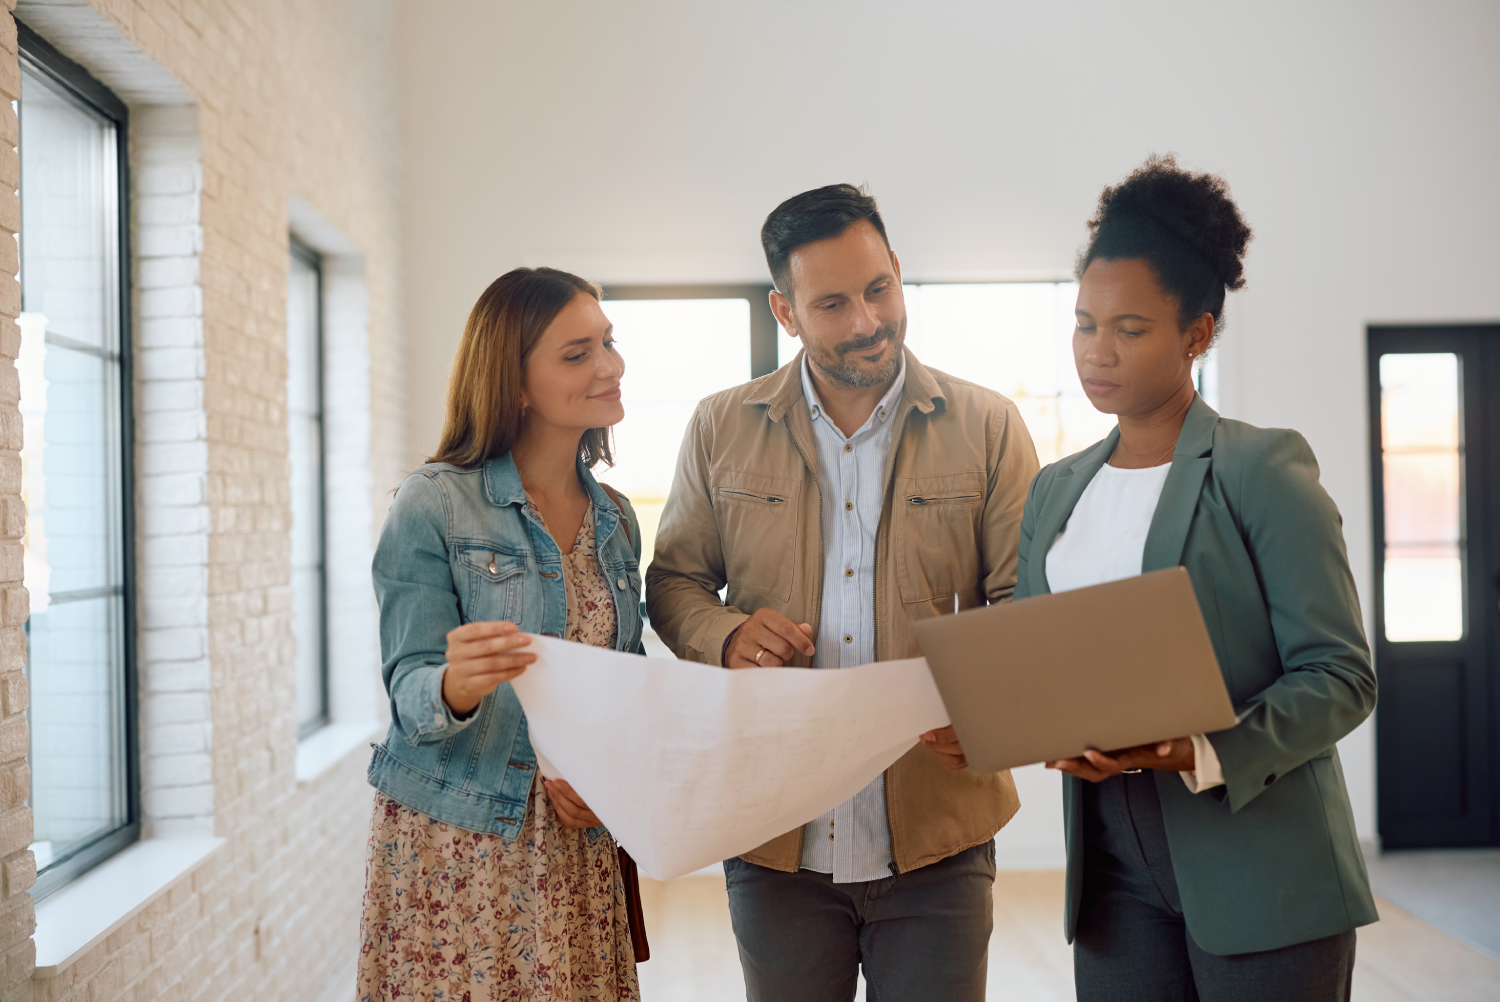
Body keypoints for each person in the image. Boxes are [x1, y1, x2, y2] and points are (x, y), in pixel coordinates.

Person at [927, 155, 1378, 1001]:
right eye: (1084, 323)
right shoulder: (1057, 491)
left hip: (1261, 863)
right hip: (1113, 876)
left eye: (1129, 330)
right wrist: (989, 725)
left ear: (1197, 334)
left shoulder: (1261, 469)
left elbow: (1341, 676)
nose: (1097, 352)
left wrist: (1204, 749)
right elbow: (1041, 664)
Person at [645, 183, 1041, 1001]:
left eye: (877, 289)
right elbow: (675, 580)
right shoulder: (719, 426)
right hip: (773, 839)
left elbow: (1026, 606)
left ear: (897, 269)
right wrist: (723, 635)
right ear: (784, 312)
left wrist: (990, 708)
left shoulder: (990, 426)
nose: (866, 321)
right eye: (831, 304)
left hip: (941, 843)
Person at [358, 267, 647, 1002]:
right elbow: (409, 692)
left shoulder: (616, 520)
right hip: (461, 848)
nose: (608, 365)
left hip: (577, 851)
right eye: (576, 353)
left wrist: (609, 777)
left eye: (607, 343)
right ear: (515, 382)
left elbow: (625, 681)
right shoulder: (434, 504)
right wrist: (455, 683)